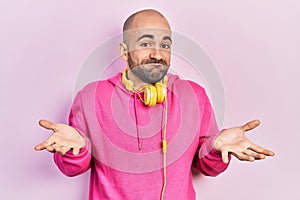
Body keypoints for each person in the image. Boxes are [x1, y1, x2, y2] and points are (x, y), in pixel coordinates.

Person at [34, 9, 274, 200]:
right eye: (146, 44)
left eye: (165, 45)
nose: (158, 54)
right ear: (124, 51)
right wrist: (72, 152)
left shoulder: (194, 95)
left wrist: (217, 149)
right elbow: (72, 169)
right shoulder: (90, 97)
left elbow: (207, 168)